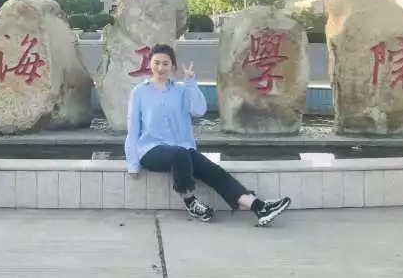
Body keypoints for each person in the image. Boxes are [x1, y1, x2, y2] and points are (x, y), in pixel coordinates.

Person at [124, 43, 291, 226]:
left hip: (182, 151)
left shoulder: (181, 90)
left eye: (165, 63)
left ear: (173, 66)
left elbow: (199, 110)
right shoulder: (139, 92)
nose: (160, 68)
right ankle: (190, 201)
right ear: (149, 64)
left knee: (214, 171)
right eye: (156, 63)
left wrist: (190, 83)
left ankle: (259, 207)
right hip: (151, 150)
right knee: (180, 153)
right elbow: (133, 129)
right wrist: (133, 164)